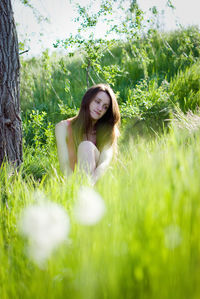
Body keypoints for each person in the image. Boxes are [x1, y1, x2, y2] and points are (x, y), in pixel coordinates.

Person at [55, 83, 120, 184]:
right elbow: (64, 165)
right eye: (97, 102)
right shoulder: (62, 128)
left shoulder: (108, 131)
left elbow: (104, 163)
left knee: (86, 146)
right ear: (88, 99)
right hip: (73, 182)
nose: (100, 109)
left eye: (105, 107)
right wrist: (74, 187)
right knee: (85, 147)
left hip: (98, 181)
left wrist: (88, 184)